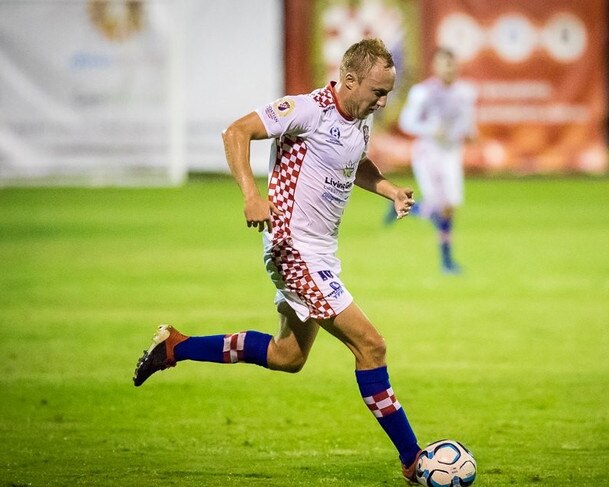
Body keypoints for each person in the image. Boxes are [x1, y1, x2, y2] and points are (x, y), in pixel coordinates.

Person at [132, 38, 424, 484]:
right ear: (349, 80)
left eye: (387, 93)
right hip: (293, 249)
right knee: (371, 346)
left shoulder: (358, 120)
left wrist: (389, 189)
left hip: (321, 252)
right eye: (378, 92)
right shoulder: (307, 110)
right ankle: (413, 459)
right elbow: (236, 132)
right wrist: (253, 195)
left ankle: (176, 346)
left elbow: (354, 162)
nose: (383, 102)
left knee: (287, 356)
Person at [394, 47, 477, 274]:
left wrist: (471, 132)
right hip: (428, 153)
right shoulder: (423, 92)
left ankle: (402, 206)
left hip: (451, 153)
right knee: (441, 206)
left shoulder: (465, 92)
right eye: (444, 64)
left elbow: (467, 121)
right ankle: (447, 262)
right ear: (436, 66)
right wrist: (431, 129)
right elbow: (406, 122)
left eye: (451, 64)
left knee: (449, 206)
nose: (448, 69)